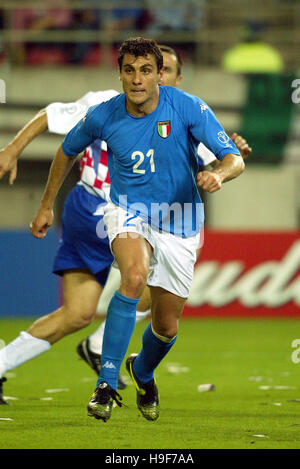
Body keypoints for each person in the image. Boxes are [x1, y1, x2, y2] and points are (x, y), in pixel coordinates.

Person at [0, 43, 250, 407]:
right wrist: (13, 153)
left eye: (151, 71)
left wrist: (229, 161)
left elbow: (223, 159)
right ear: (122, 73)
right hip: (98, 209)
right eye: (131, 70)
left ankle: (120, 355)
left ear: (167, 77)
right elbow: (53, 119)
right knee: (123, 286)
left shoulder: (185, 108)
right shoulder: (102, 105)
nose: (139, 79)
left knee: (159, 314)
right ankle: (103, 368)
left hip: (167, 221)